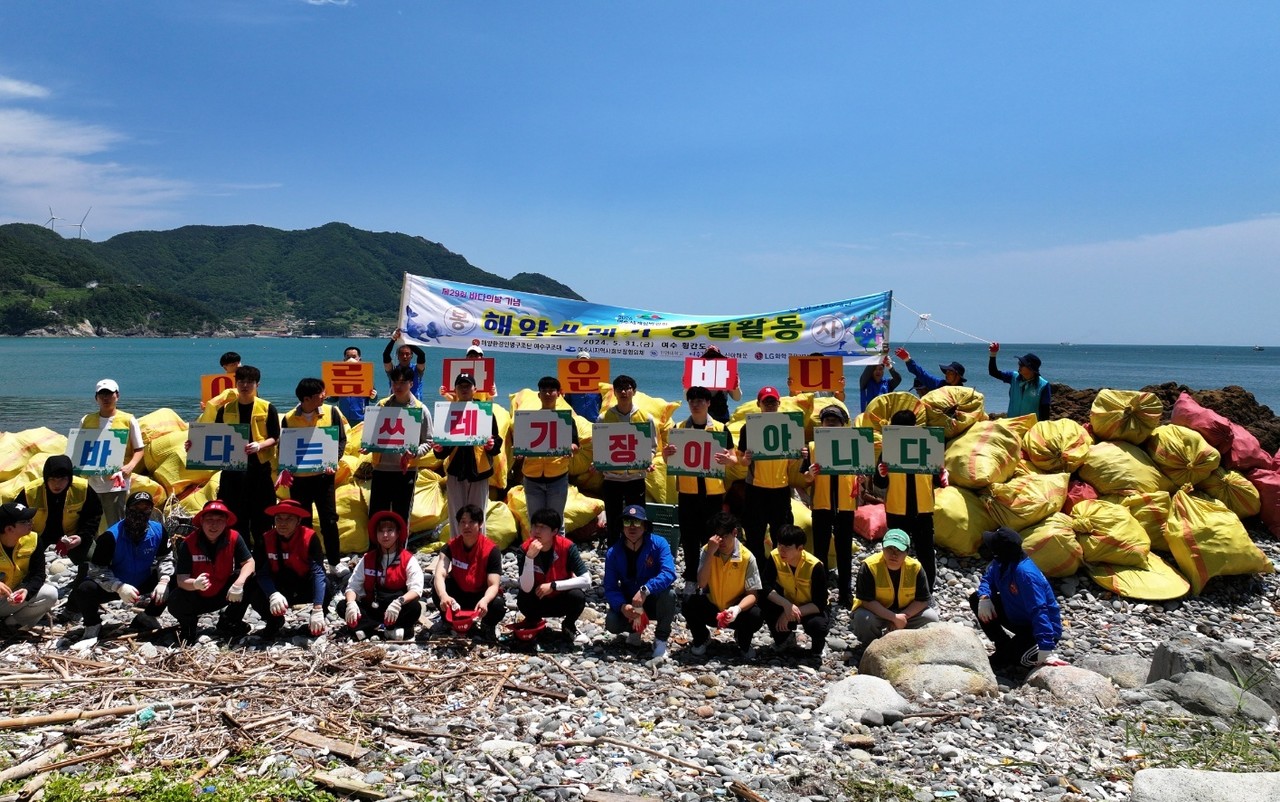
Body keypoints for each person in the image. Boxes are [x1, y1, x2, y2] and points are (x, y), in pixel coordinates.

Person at [662, 386, 735, 594]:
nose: (695, 404)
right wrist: (667, 454)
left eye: (700, 400)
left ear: (708, 403)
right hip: (688, 493)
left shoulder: (721, 429)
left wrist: (727, 459)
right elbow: (669, 459)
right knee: (689, 537)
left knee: (711, 538)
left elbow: (734, 458)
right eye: (692, 400)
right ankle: (691, 578)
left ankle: (710, 578)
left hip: (713, 494)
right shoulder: (679, 428)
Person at [197, 365, 280, 550]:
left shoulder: (267, 408)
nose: (245, 385)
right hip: (232, 472)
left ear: (257, 384)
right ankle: (238, 557)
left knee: (262, 518)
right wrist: (195, 445)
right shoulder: (225, 409)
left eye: (250, 381)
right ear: (235, 383)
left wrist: (260, 445)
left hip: (259, 469)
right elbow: (216, 436)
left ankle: (262, 558)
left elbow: (275, 437)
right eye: (241, 381)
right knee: (235, 516)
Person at [70, 491, 172, 640]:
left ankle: (148, 615)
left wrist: (163, 581)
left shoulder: (159, 531)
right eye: (136, 508)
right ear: (127, 509)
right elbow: (97, 571)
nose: (141, 513)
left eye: (146, 509)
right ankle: (92, 624)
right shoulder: (110, 537)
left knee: (175, 578)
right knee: (84, 589)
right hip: (115, 585)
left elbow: (166, 557)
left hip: (143, 580)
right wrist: (118, 587)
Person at [970, 526, 1064, 672]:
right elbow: (988, 580)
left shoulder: (1026, 575)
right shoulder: (1001, 562)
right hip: (1016, 616)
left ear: (999, 552)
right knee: (975, 599)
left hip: (1039, 628)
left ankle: (1024, 650)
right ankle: (1002, 644)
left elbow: (1039, 610)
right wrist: (984, 597)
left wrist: (1046, 648)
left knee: (1017, 659)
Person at [280, 377, 348, 572]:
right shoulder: (289, 418)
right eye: (321, 393)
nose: (324, 396)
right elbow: (285, 447)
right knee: (303, 521)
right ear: (307, 398)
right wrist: (284, 469)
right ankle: (308, 560)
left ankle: (334, 562)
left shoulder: (332, 412)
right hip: (299, 480)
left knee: (329, 520)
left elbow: (341, 440)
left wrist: (333, 460)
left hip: (324, 478)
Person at [169, 500, 255, 644]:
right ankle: (188, 626)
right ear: (201, 521)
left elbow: (249, 562)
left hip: (224, 593)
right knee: (176, 597)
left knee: (251, 578)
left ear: (226, 522)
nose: (214, 525)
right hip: (196, 595)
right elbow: (181, 579)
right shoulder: (188, 543)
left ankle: (230, 621)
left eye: (219, 520)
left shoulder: (234, 537)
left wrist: (238, 584)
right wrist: (195, 584)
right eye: (209, 520)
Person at [873, 409, 941, 592]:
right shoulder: (892, 448)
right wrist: (881, 473)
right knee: (919, 550)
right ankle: (909, 588)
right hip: (905, 508)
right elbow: (879, 481)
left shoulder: (927, 445)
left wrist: (942, 473)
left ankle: (924, 589)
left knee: (913, 551)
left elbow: (937, 478)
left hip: (916, 509)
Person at [682, 512, 764, 660]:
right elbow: (701, 583)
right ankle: (702, 638)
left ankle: (743, 641)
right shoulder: (708, 550)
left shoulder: (747, 557)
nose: (721, 541)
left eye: (724, 536)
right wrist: (710, 554)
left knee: (756, 615)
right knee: (688, 602)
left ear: (734, 533)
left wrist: (737, 609)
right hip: (712, 606)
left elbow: (753, 594)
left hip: (734, 610)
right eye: (716, 537)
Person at [602, 504, 677, 664]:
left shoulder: (659, 543)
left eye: (637, 523)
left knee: (669, 595)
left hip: (653, 600)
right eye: (627, 522)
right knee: (612, 623)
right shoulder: (613, 553)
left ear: (645, 526)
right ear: (622, 527)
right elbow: (610, 587)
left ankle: (661, 639)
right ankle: (634, 631)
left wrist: (646, 590)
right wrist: (622, 606)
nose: (632, 528)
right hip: (629, 601)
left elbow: (669, 573)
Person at [246, 499, 329, 639]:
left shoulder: (310, 538)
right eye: (279, 518)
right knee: (251, 586)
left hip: (304, 584)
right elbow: (261, 573)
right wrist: (272, 594)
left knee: (327, 585)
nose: (283, 523)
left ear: (298, 520)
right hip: (279, 586)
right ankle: (274, 621)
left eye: (289, 519)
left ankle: (317, 620)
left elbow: (318, 572)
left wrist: (318, 608)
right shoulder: (265, 539)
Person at [737, 386, 800, 565]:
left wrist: (798, 455)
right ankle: (758, 577)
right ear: (759, 404)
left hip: (780, 489)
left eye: (773, 401)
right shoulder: (748, 427)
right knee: (754, 534)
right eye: (766, 402)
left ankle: (779, 573)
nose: (770, 405)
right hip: (756, 489)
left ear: (779, 404)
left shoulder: (789, 425)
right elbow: (741, 458)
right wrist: (746, 460)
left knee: (781, 535)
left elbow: (791, 461)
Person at [803, 404, 857, 608]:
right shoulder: (812, 447)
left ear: (844, 425)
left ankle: (846, 593)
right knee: (820, 552)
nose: (831, 424)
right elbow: (805, 478)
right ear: (822, 424)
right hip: (821, 505)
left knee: (844, 551)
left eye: (835, 421)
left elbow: (863, 472)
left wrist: (861, 479)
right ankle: (820, 593)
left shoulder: (854, 445)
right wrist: (810, 474)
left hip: (845, 505)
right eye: (828, 421)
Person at [433, 373, 503, 531]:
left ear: (475, 389)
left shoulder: (485, 411)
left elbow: (497, 440)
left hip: (480, 471)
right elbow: (443, 449)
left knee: (478, 516)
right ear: (455, 390)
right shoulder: (448, 412)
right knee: (456, 516)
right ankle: (458, 552)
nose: (464, 389)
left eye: (467, 386)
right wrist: (439, 449)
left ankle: (479, 553)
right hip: (455, 471)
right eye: (460, 386)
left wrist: (491, 446)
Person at [16, 455, 102, 582]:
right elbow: (15, 519)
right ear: (45, 479)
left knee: (94, 557)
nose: (57, 484)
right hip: (38, 537)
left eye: (62, 479)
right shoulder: (30, 491)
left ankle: (84, 580)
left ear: (70, 479)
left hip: (72, 536)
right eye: (52, 479)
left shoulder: (82, 488)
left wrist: (81, 537)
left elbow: (94, 515)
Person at [341, 510, 424, 641]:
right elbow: (352, 586)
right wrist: (351, 603)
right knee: (342, 606)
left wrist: (399, 602)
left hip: (395, 610)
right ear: (376, 534)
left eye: (390, 530)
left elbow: (416, 589)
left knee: (415, 607)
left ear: (398, 534)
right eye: (381, 531)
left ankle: (367, 630)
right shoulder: (367, 558)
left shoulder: (408, 559)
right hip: (372, 607)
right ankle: (387, 630)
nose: (385, 535)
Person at [595, 375, 656, 550]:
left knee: (636, 520)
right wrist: (598, 463)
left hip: (635, 478)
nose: (623, 391)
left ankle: (637, 552)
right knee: (614, 520)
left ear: (634, 391)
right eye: (619, 388)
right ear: (613, 392)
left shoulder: (646, 418)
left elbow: (652, 447)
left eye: (627, 388)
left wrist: (648, 461)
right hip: (612, 479)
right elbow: (600, 448)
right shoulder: (603, 418)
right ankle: (614, 554)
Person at [367, 365, 434, 524]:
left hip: (406, 470)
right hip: (381, 468)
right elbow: (371, 435)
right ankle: (376, 548)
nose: (397, 386)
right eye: (394, 382)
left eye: (402, 383)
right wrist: (367, 446)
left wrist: (415, 453)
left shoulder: (420, 409)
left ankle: (400, 549)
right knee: (377, 514)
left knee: (401, 515)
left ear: (411, 383)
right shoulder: (382, 406)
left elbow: (429, 441)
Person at [515, 508, 591, 644]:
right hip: (536, 599)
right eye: (534, 526)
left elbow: (586, 580)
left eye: (543, 527)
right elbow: (526, 587)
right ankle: (534, 623)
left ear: (555, 531)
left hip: (560, 599)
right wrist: (529, 559)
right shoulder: (524, 549)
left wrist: (554, 585)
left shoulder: (567, 547)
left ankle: (569, 625)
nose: (537, 531)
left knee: (578, 596)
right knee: (522, 597)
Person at [851, 528, 939, 645]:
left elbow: (923, 600)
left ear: (907, 552)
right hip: (876, 612)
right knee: (862, 618)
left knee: (931, 618)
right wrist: (893, 617)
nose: (894, 554)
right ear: (882, 548)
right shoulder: (869, 566)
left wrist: (902, 617)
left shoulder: (915, 568)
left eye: (899, 550)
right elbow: (867, 601)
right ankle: (871, 646)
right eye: (890, 549)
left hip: (906, 612)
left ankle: (907, 643)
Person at [431, 504, 505, 642]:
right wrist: (443, 596)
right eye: (463, 522)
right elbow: (440, 573)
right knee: (437, 587)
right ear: (458, 525)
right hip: (458, 595)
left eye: (472, 522)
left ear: (480, 524)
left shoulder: (491, 550)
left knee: (498, 604)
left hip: (480, 595)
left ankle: (487, 626)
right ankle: (447, 621)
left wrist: (485, 600)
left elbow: (494, 585)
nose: (467, 526)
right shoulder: (451, 546)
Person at [80, 378, 146, 526]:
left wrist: (130, 466)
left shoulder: (128, 419)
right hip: (92, 482)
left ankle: (116, 548)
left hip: (117, 482)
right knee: (92, 523)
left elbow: (139, 449)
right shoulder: (86, 420)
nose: (106, 398)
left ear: (117, 396)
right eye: (102, 394)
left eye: (109, 394)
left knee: (116, 523)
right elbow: (80, 449)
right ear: (96, 397)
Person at [760, 524, 830, 658]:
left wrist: (789, 613)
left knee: (818, 626)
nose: (782, 550)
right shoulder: (775, 556)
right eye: (780, 544)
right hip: (788, 602)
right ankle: (784, 639)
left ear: (800, 548)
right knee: (763, 601)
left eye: (787, 546)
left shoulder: (815, 566)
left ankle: (818, 647)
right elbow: (765, 585)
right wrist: (786, 605)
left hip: (810, 608)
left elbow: (820, 603)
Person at [518, 376, 579, 524]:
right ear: (538, 395)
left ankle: (559, 547)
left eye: (551, 390)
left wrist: (571, 447)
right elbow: (520, 446)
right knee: (535, 520)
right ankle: (537, 547)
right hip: (532, 476)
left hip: (557, 476)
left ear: (559, 394)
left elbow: (576, 445)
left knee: (556, 521)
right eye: (544, 391)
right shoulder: (529, 419)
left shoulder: (566, 419)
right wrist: (519, 453)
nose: (547, 394)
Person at [0, 503, 58, 634]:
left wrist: (26, 591)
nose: (31, 523)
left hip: (8, 599)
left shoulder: (33, 539)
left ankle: (11, 624)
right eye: (25, 521)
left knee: (50, 594)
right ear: (9, 529)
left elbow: (39, 575)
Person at [988, 343, 1050, 420]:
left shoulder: (1043, 385)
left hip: (1030, 428)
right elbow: (993, 372)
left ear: (1031, 368)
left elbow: (1045, 413)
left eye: (1022, 364)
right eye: (1019, 363)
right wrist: (993, 354)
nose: (1019, 365)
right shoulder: (1013, 377)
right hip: (1011, 425)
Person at [334, 346, 379, 428]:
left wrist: (374, 395)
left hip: (360, 418)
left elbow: (373, 399)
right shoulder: (338, 378)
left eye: (354, 357)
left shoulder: (366, 377)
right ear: (344, 360)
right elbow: (333, 398)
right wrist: (326, 396)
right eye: (348, 357)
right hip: (342, 418)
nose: (351, 359)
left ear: (359, 359)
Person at [894, 347, 966, 396]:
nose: (947, 375)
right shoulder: (939, 384)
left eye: (950, 373)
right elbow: (922, 374)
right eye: (946, 372)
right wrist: (907, 360)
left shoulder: (964, 393)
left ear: (958, 376)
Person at [701, 346, 742, 424]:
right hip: (701, 417)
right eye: (708, 357)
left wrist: (736, 386)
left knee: (721, 435)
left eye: (715, 356)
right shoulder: (698, 374)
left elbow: (737, 398)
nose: (712, 359)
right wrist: (686, 388)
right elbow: (688, 397)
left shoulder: (726, 373)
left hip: (722, 417)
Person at [382, 327, 427, 398]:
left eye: (407, 354)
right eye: (402, 354)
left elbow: (421, 354)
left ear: (411, 356)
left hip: (414, 406)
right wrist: (393, 339)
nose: (405, 356)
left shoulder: (417, 370)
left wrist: (405, 341)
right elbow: (386, 355)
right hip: (395, 404)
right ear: (397, 356)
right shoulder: (393, 371)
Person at [563, 351, 603, 422]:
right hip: (577, 422)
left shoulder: (598, 383)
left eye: (586, 361)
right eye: (581, 361)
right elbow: (566, 405)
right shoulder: (570, 385)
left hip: (594, 420)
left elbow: (603, 403)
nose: (583, 363)